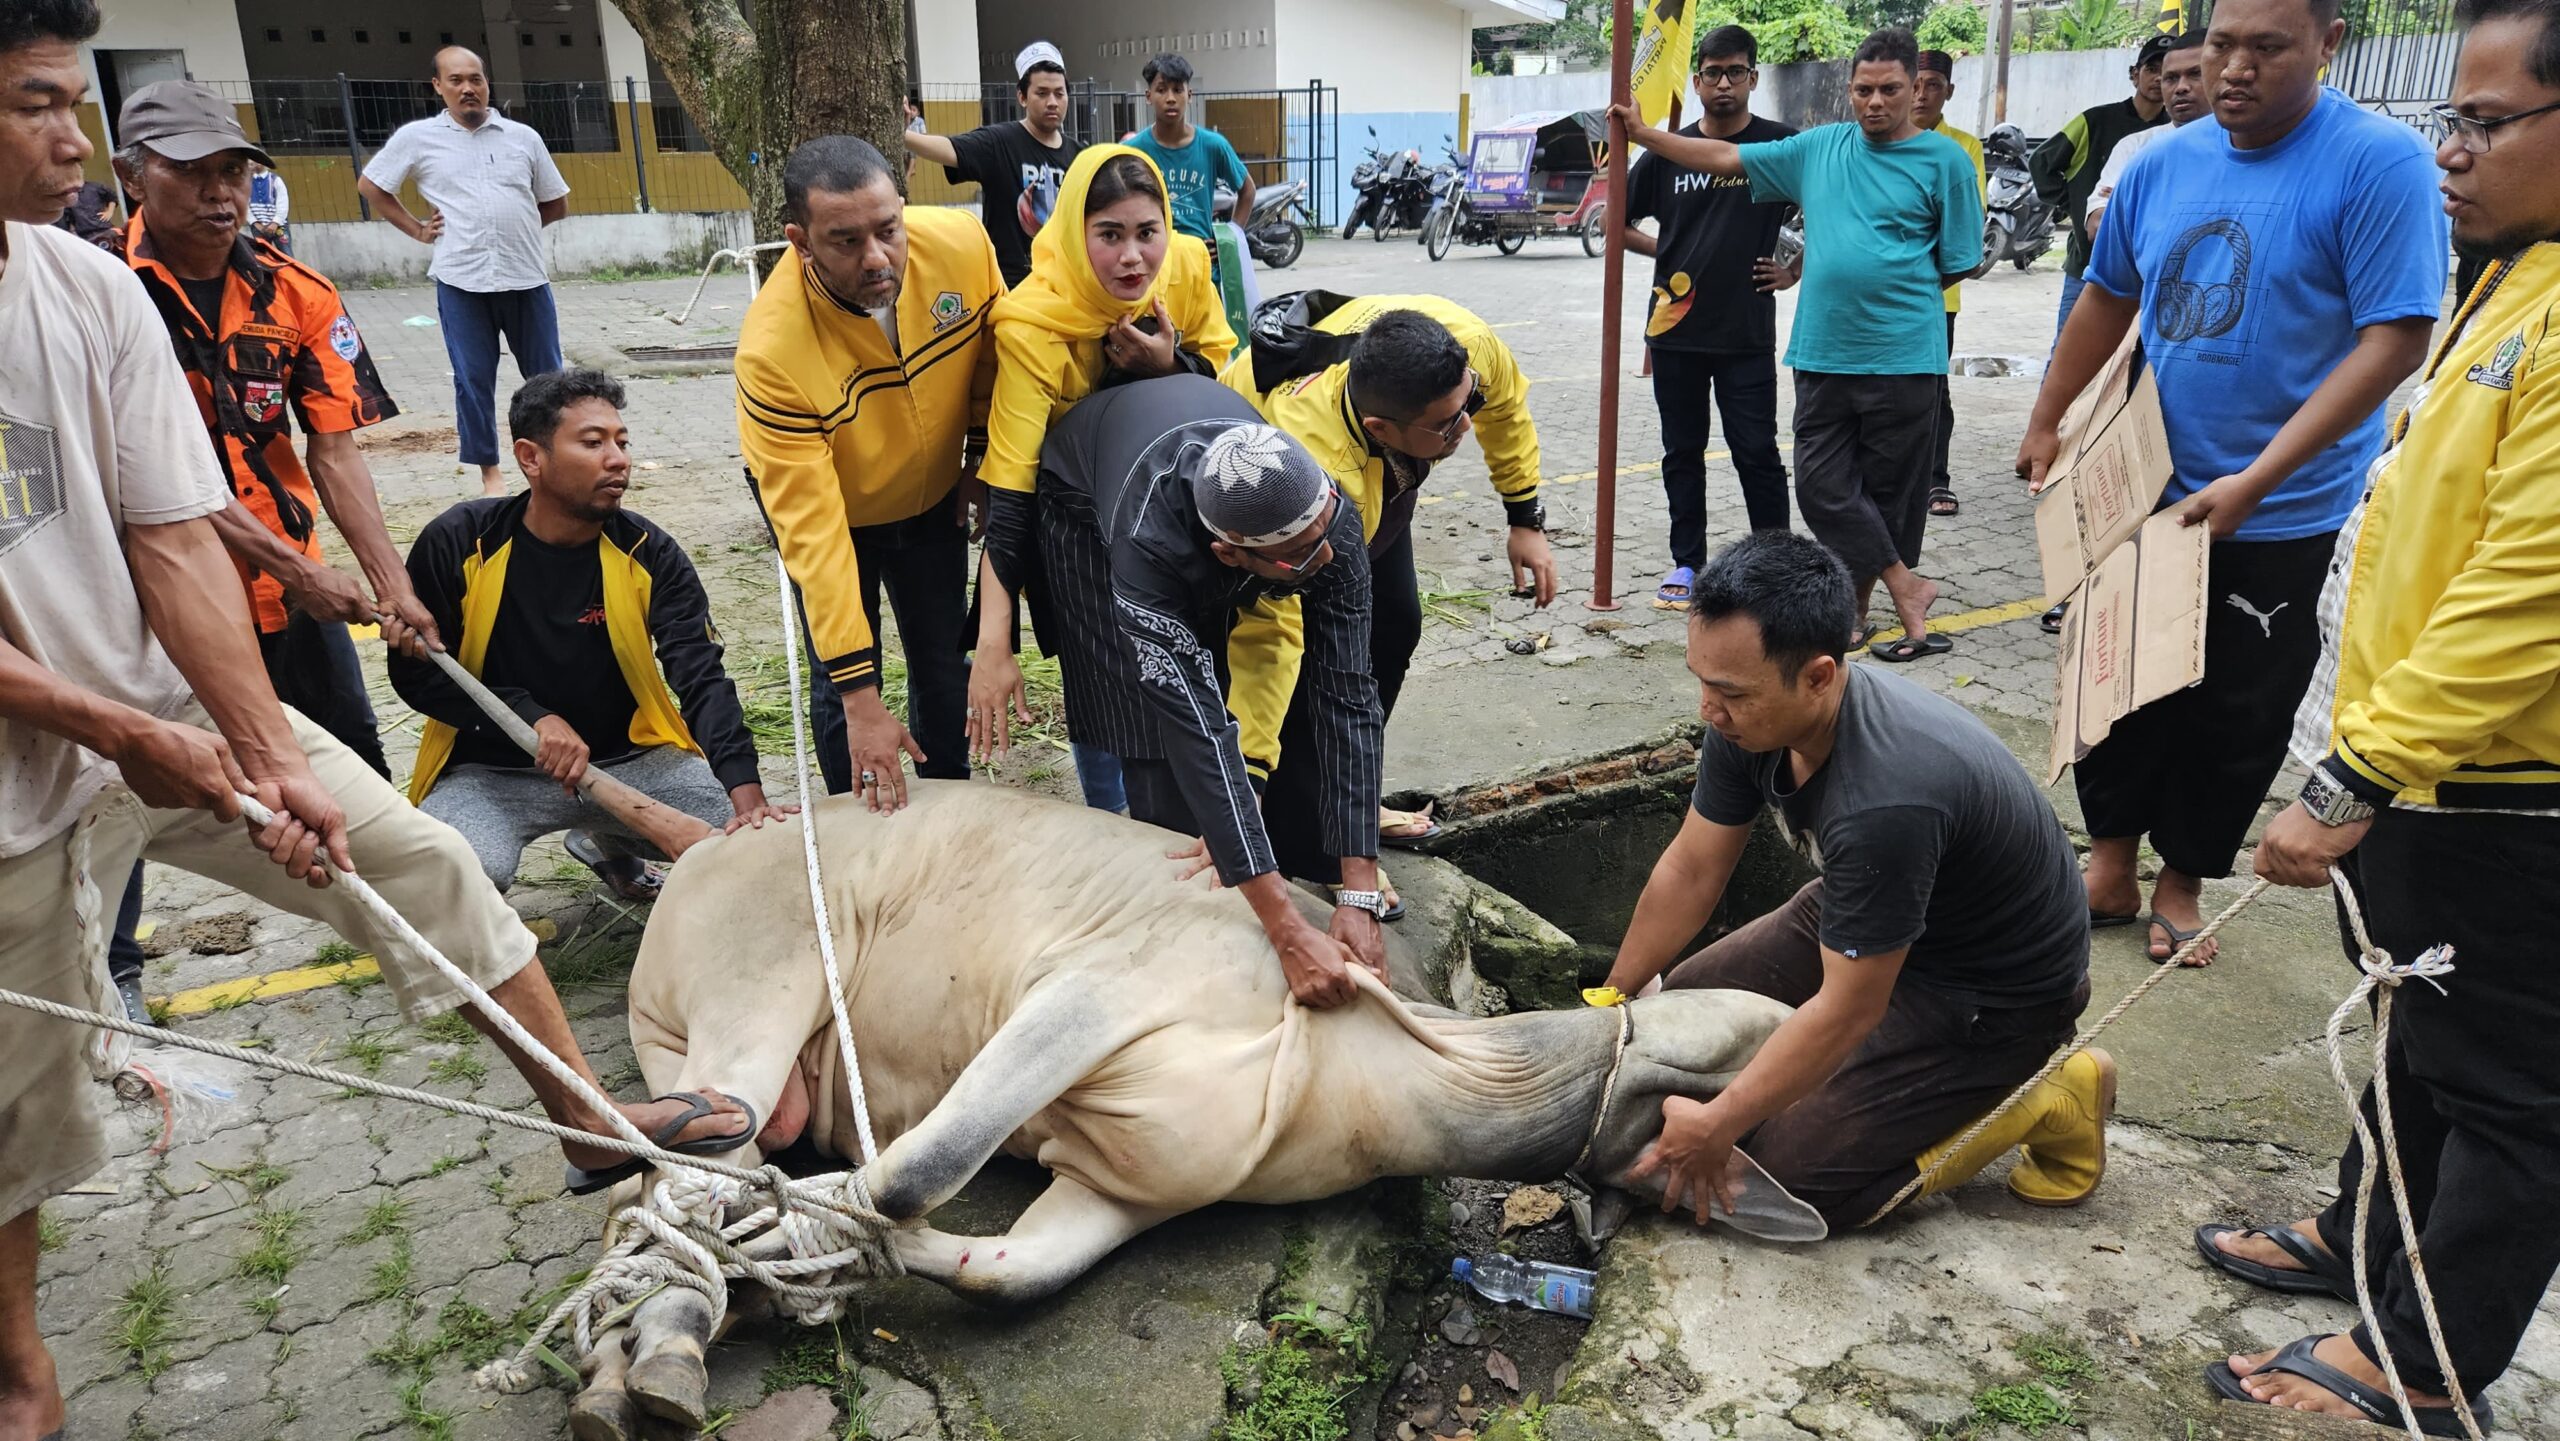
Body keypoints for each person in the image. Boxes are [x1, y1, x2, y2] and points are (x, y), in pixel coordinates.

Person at [0, 18, 751, 1434]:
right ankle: (23, 1370)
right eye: (39, 104)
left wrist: (268, 755)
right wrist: (127, 723)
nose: (72, 138)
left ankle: (589, 1118)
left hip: (182, 698)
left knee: (416, 862)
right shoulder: (136, 283)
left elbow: (176, 535)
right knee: (21, 1117)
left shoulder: (88, 294)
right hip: (23, 775)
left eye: (70, 103)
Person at [2189, 4, 2560, 1431]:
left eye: (2487, 121)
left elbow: (2530, 593)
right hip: (2427, 762)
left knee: (2511, 1091)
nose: (2451, 153)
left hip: (2509, 788)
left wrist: (2352, 774)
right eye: (2448, 121)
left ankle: (2426, 1362)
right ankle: (2364, 1245)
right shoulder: (2505, 277)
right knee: (2412, 1027)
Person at [2016, 0, 2445, 965]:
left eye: (2267, 48)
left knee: (2234, 706)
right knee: (2117, 687)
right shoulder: (2163, 161)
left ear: (2330, 44)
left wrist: (2258, 479)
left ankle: (2183, 880)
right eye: (2220, 45)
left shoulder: (2382, 164)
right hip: (2140, 488)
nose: (2235, 69)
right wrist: (2048, 420)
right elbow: (2107, 296)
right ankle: (2112, 864)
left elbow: (2395, 340)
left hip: (2281, 508)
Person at [1595, 533, 2101, 1232]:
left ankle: (2042, 1094)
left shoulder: (1886, 797)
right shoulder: (1747, 722)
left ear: (1820, 676)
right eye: (1701, 679)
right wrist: (1615, 993)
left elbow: (1848, 1010)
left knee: (1779, 1175)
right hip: (1876, 917)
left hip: (1992, 995)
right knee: (1674, 1019)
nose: (1709, 708)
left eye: (1730, 692)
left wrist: (1717, 1122)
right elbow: (1692, 866)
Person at [970, 374, 1387, 1010]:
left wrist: (1357, 889)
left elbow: (1348, 694)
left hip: (1212, 492)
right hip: (1081, 501)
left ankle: (1230, 860)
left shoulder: (1323, 520)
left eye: (1326, 534)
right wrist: (1286, 929)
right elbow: (1194, 725)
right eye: (1303, 556)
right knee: (1149, 731)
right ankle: (1156, 938)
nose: (1327, 558)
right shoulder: (1144, 544)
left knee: (1233, 728)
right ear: (1229, 553)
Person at [1615, 26, 1982, 663]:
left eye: (1890, 89)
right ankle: (1906, 584)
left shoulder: (1943, 161)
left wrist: (1881, 283)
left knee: (1890, 493)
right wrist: (1646, 137)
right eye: (1864, 89)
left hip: (1904, 355)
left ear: (1913, 89)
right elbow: (1725, 160)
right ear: (1849, 90)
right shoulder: (1819, 148)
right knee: (1820, 487)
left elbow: (1958, 260)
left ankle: (1857, 611)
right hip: (1820, 351)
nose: (1875, 102)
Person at [112, 81, 432, 782]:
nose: (219, 193)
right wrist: (302, 572)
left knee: (354, 768)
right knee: (177, 788)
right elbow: (152, 478)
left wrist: (391, 580)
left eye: (232, 170)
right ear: (131, 176)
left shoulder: (297, 291)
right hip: (159, 592)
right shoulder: (100, 293)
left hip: (288, 585)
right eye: (189, 172)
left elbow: (336, 451)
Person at [391, 368, 787, 899]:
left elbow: (701, 676)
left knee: (752, 849)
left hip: (633, 765)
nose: (618, 459)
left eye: (622, 442)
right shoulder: (460, 541)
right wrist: (531, 715)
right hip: (489, 772)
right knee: (461, 876)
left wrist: (746, 795)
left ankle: (605, 838)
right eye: (593, 442)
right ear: (531, 457)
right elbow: (418, 676)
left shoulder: (651, 554)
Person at [1220, 295, 1555, 879]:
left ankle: (1348, 805)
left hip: (1377, 476)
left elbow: (1504, 407)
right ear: (1382, 428)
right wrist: (1248, 766)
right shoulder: (1321, 474)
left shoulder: (1463, 347)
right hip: (1273, 502)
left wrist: (1524, 516)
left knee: (1396, 625)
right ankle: (1312, 845)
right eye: (1449, 423)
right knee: (1321, 667)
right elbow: (1276, 630)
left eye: (1465, 400)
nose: (1467, 425)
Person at [970, 145, 1236, 813]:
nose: (1132, 259)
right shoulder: (1035, 326)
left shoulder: (1184, 270)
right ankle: (1108, 814)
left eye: (1147, 233)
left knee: (1189, 658)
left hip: (1173, 504)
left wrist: (1172, 366)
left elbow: (1226, 384)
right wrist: (993, 642)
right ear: (1073, 233)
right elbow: (1011, 489)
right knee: (1099, 676)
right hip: (1074, 522)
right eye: (1108, 236)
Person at [736, 136, 999, 807]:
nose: (877, 257)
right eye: (845, 241)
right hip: (838, 516)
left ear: (904, 208)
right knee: (846, 681)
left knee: (941, 660)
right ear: (800, 240)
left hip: (933, 497)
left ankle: (950, 806)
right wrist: (860, 696)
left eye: (888, 230)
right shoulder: (774, 352)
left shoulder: (963, 248)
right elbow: (815, 539)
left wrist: (977, 458)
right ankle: (857, 818)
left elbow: (993, 362)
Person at [1620, 24, 1799, 608]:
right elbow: (1613, 224)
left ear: (1754, 77)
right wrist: (1666, 252)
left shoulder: (1779, 146)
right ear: (1696, 81)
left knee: (1757, 452)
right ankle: (1687, 562)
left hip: (1746, 330)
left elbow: (1827, 210)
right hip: (1675, 330)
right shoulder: (1665, 153)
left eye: (1736, 72)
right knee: (1682, 451)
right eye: (1713, 73)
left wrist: (1795, 268)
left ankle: (1774, 565)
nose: (1724, 83)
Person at [359, 46, 571, 498]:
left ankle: (557, 466)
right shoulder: (417, 139)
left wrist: (516, 227)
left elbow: (555, 202)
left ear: (487, 83)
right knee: (473, 380)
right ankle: (490, 475)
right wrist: (416, 230)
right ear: (438, 86)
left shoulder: (522, 138)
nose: (468, 88)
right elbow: (372, 186)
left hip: (526, 278)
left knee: (549, 379)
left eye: (475, 78)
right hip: (462, 281)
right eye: (456, 80)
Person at [903, 41, 1083, 288]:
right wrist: (902, 135)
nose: (1052, 102)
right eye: (1041, 93)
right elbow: (950, 148)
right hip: (1010, 286)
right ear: (1022, 96)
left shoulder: (1079, 156)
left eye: (1059, 93)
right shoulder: (999, 142)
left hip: (1063, 283)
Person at [2032, 33, 2170, 338]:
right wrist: (2078, 202)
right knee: (2067, 356)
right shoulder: (2096, 121)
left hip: (2147, 274)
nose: (2160, 78)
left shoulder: (2175, 134)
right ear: (2135, 74)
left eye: (2168, 71)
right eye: (2152, 68)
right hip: (2087, 264)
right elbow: (2041, 164)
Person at [1915, 49, 1985, 521]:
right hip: (1878, 295)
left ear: (1949, 91)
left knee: (1932, 389)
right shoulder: (1875, 140)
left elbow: (1964, 223)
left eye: (1933, 84)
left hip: (1939, 294)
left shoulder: (1963, 147)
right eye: (1915, 83)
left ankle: (1936, 477)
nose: (1922, 94)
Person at [1124, 53, 1253, 266]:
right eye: (1162, 90)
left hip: (1202, 266)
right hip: (1154, 267)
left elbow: (1247, 191)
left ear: (1189, 94)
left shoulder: (1213, 146)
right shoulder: (1132, 151)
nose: (1171, 98)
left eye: (1177, 90)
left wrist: (1229, 240)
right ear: (1148, 96)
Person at [2085, 28, 2212, 235]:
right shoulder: (2136, 147)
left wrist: (2132, 203)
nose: (2181, 87)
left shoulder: (2246, 146)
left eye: (2195, 74)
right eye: (2170, 78)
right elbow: (2098, 226)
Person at [247, 160, 289, 253]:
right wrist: (255, 222)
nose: (248, 166)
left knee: (286, 254)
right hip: (258, 226)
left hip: (279, 226)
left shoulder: (276, 180)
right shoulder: (247, 182)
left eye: (251, 164)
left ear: (260, 163)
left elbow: (283, 203)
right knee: (263, 256)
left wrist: (275, 222)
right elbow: (245, 205)